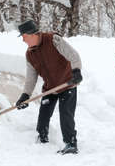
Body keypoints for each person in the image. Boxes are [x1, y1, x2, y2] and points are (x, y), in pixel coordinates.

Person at [16, 20, 83, 154]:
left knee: (66, 114)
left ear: (32, 34)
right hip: (50, 88)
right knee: (43, 115)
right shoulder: (30, 54)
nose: (23, 40)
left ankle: (71, 143)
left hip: (67, 84)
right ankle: (42, 137)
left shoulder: (53, 40)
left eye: (24, 37)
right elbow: (31, 77)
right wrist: (25, 95)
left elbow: (73, 56)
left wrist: (76, 71)